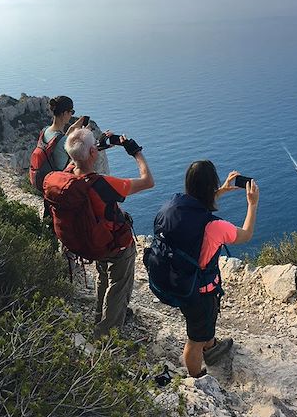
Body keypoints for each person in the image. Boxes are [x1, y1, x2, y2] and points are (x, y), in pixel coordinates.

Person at [152, 161, 259, 378]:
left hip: (179, 279)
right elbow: (246, 234)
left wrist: (220, 191)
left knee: (203, 324)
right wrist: (252, 204)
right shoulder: (215, 227)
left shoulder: (171, 207)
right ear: (211, 186)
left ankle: (211, 347)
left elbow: (198, 205)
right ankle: (196, 376)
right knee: (195, 339)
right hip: (200, 292)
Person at [62, 127, 154, 338]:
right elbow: (148, 181)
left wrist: (99, 146)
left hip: (91, 242)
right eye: (94, 147)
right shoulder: (104, 184)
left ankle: (99, 318)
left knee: (103, 278)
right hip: (115, 244)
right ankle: (106, 337)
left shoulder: (66, 175)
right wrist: (136, 152)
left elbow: (79, 156)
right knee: (118, 286)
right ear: (93, 153)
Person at [44, 96, 85, 171]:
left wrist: (70, 130)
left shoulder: (46, 130)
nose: (71, 115)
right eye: (72, 112)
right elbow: (81, 158)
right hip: (60, 178)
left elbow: (57, 144)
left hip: (48, 175)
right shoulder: (64, 141)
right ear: (65, 113)